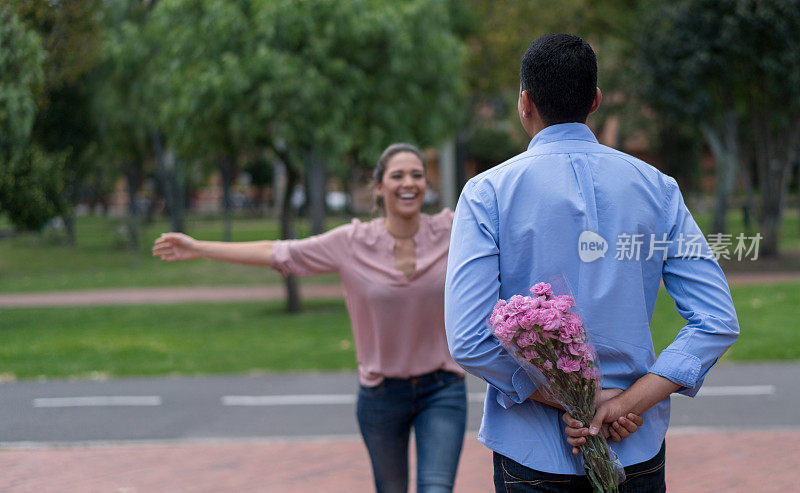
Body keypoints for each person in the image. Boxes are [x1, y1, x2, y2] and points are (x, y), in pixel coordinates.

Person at [444, 33, 739, 492]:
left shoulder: (488, 193)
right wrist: (628, 403)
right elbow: (716, 320)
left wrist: (574, 402)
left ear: (525, 103)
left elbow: (468, 340)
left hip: (533, 448)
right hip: (634, 443)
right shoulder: (656, 187)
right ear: (596, 100)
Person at [152, 143, 467, 493]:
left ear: (426, 184)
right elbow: (278, 252)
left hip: (442, 390)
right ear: (379, 187)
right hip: (381, 395)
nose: (408, 183)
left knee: (436, 489)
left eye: (416, 175)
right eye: (397, 175)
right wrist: (198, 247)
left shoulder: (454, 230)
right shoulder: (351, 241)